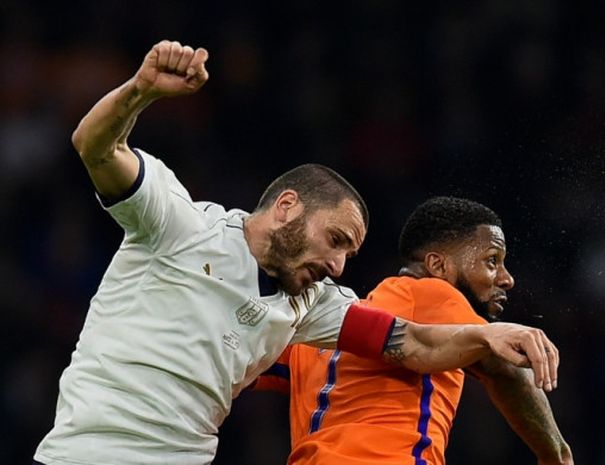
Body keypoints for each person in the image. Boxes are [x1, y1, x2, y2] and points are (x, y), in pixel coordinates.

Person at [33, 41, 560, 465]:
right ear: (287, 207)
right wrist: (141, 91)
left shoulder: (310, 304)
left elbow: (414, 343)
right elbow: (95, 145)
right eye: (335, 240)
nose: (337, 266)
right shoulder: (179, 223)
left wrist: (492, 334)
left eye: (349, 254)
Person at [254, 196, 574, 465]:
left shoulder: (312, 332)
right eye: (492, 261)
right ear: (437, 267)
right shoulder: (427, 293)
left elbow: (237, 360)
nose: (506, 278)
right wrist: (557, 456)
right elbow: (502, 366)